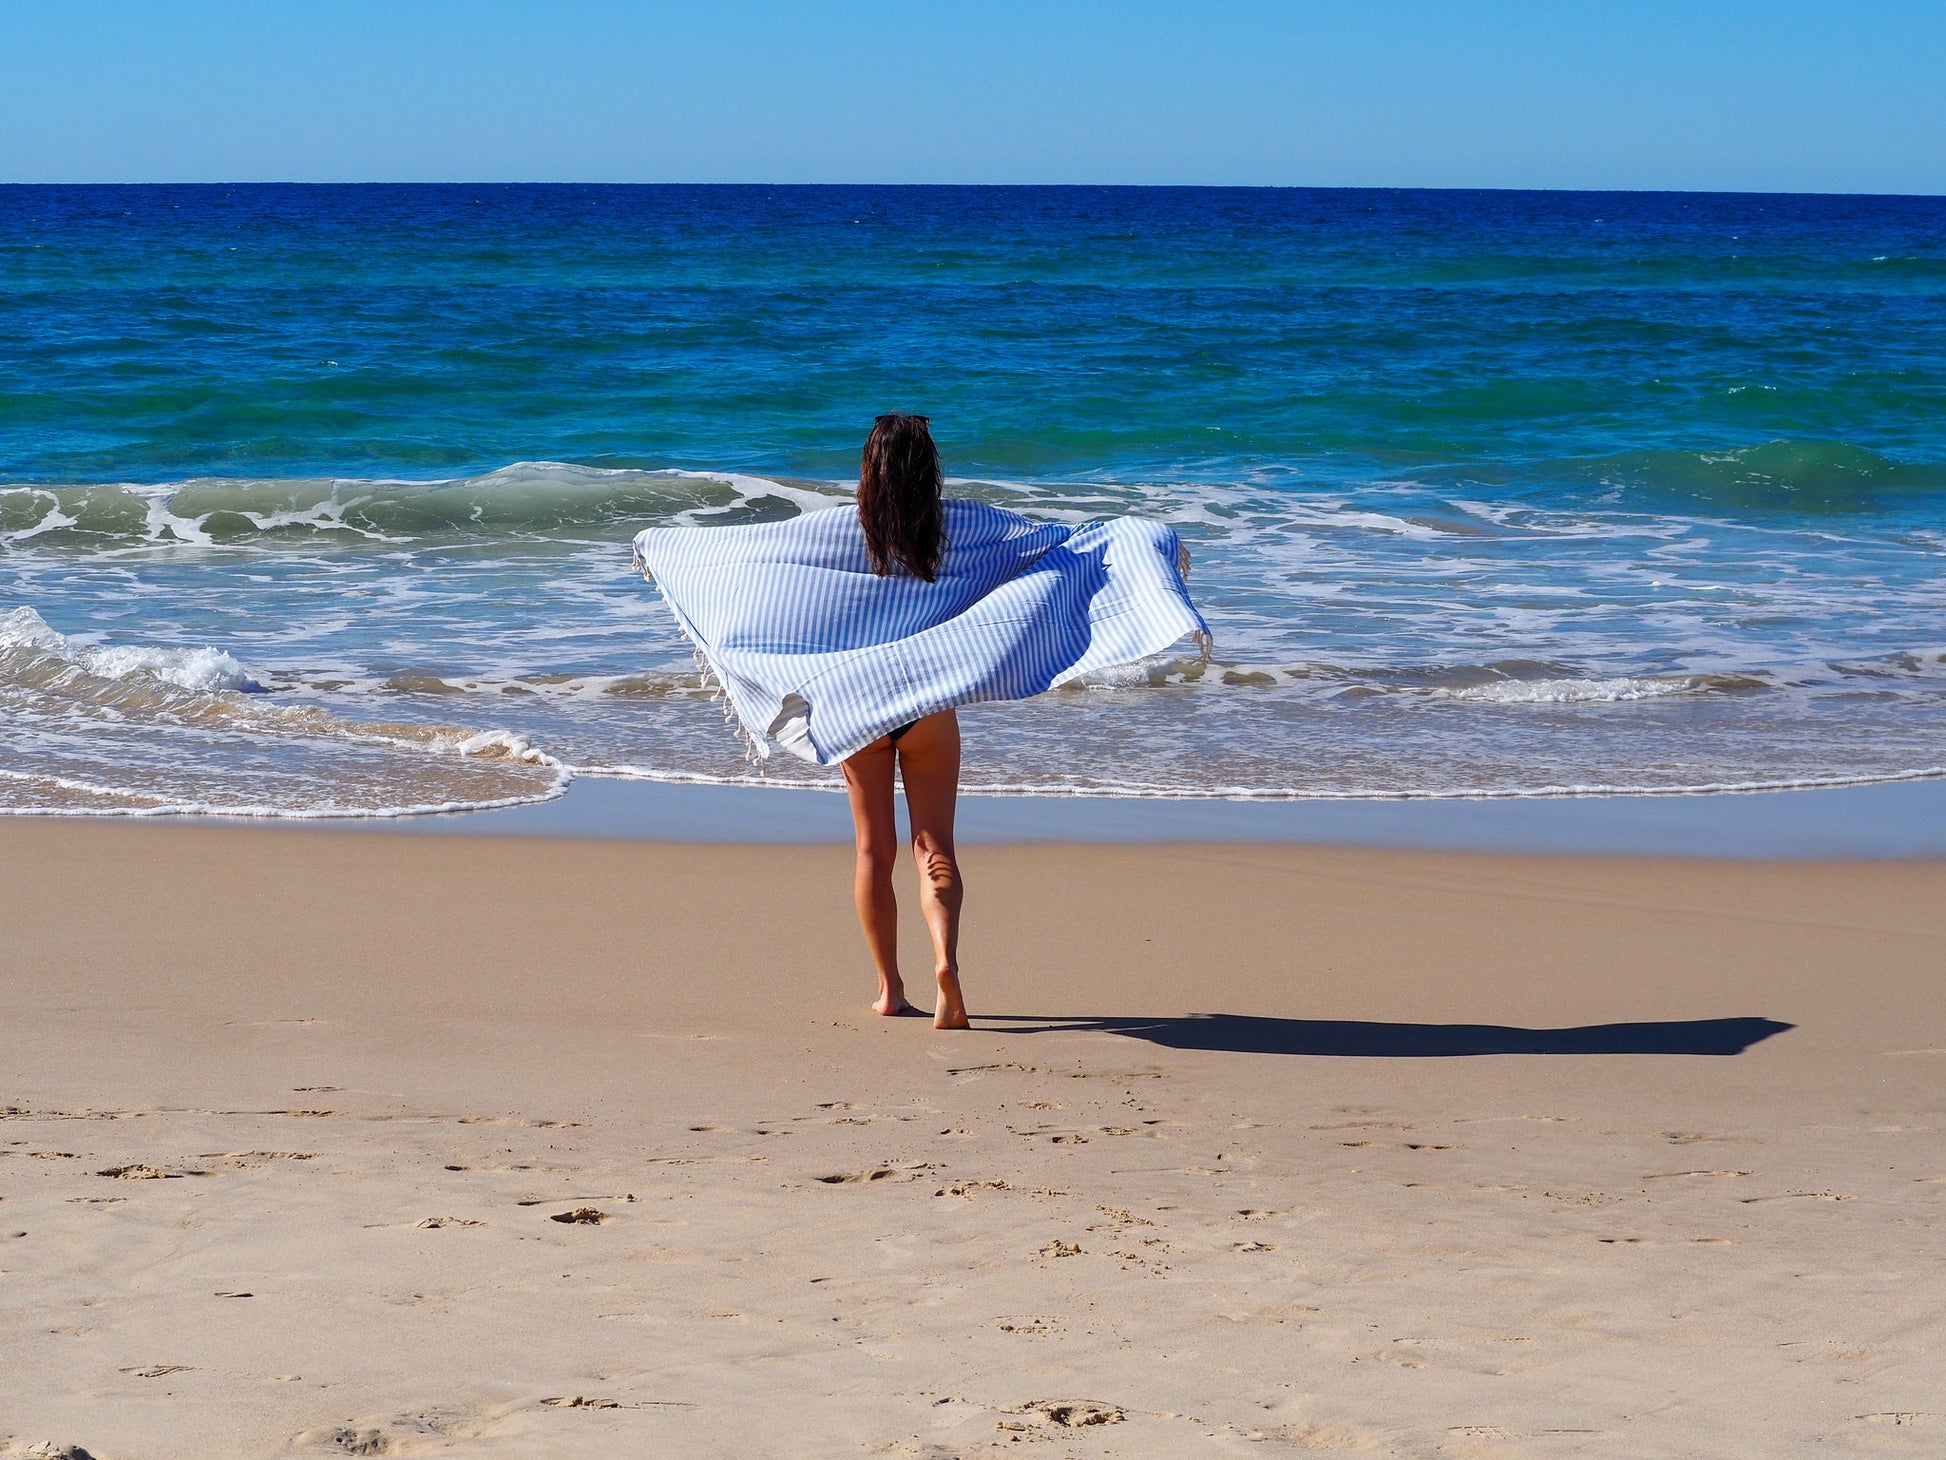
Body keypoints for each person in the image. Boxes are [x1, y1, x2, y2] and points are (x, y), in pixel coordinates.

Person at [839, 414, 968, 1030]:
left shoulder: (836, 533)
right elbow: (1042, 544)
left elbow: (756, 561)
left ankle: (890, 988)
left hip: (861, 707)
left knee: (874, 850)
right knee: (933, 846)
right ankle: (946, 961)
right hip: (927, 705)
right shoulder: (959, 531)